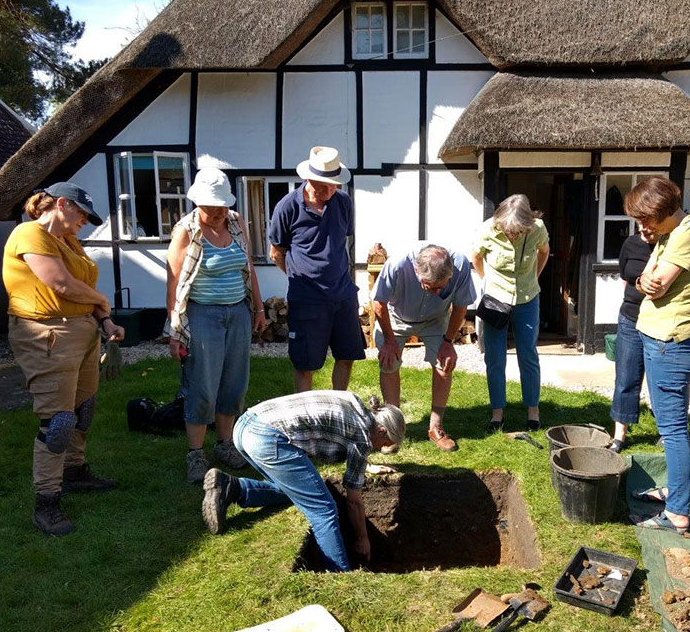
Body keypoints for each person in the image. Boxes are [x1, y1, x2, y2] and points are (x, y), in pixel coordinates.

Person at [3, 183, 124, 537]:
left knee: (82, 409)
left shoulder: (68, 241)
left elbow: (80, 289)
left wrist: (104, 320)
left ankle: (73, 471)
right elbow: (60, 284)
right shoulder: (29, 234)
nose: (84, 222)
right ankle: (47, 501)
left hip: (83, 330)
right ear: (60, 204)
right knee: (57, 421)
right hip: (46, 334)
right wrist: (102, 299)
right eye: (82, 214)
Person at [200, 391, 405, 572]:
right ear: (381, 430)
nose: (381, 449)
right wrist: (362, 539)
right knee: (323, 510)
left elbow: (343, 437)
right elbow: (353, 501)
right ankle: (338, 574)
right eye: (384, 444)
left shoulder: (355, 404)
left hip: (245, 426)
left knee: (300, 491)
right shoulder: (362, 436)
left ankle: (233, 488)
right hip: (267, 437)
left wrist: (364, 465)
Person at [625, 177, 690, 535]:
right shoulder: (669, 236)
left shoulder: (688, 234)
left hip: (671, 343)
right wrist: (642, 282)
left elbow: (656, 285)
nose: (642, 227)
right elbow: (642, 280)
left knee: (673, 431)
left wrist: (646, 283)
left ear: (664, 212)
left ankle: (677, 510)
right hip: (662, 339)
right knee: (669, 425)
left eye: (646, 219)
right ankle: (674, 492)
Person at [165, 168, 265, 484]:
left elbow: (247, 266)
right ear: (198, 203)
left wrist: (259, 307)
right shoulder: (186, 231)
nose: (220, 212)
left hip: (237, 313)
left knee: (234, 383)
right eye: (213, 207)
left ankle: (224, 445)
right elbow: (174, 281)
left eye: (222, 205)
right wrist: (175, 329)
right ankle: (195, 454)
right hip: (202, 315)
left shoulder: (235, 223)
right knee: (202, 385)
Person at [268, 146, 365, 393]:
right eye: (324, 185)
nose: (330, 190)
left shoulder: (343, 202)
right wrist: (299, 278)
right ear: (309, 179)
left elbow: (342, 240)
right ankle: (307, 419)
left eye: (335, 184)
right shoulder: (287, 206)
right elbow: (276, 252)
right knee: (305, 365)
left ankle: (338, 410)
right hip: (307, 299)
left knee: (346, 356)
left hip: (343, 295)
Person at [371, 244, 476, 452]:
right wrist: (390, 342)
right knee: (389, 364)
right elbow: (378, 303)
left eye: (441, 287)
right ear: (416, 271)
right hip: (396, 317)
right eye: (431, 286)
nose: (437, 292)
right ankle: (393, 429)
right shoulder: (397, 265)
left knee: (445, 364)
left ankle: (436, 427)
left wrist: (448, 343)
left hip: (436, 320)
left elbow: (461, 306)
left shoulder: (461, 265)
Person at [471, 194, 550, 432]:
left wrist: (534, 277)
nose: (512, 235)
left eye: (517, 232)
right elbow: (476, 256)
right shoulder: (487, 229)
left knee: (528, 355)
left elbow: (544, 252)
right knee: (495, 357)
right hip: (496, 300)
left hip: (527, 299)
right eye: (507, 230)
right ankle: (497, 413)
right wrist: (487, 283)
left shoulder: (537, 229)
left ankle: (533, 411)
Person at [609, 226, 656, 453]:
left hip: (660, 321)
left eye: (647, 221)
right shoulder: (630, 244)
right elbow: (624, 278)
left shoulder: (673, 244)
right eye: (639, 221)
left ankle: (668, 432)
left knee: (661, 381)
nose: (642, 227)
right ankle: (619, 435)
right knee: (626, 377)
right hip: (630, 318)